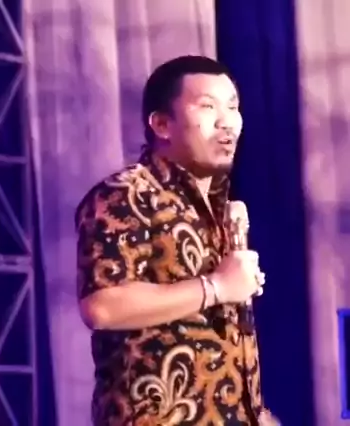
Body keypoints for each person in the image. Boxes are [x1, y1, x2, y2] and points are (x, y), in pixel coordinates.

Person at [75, 56, 278, 425]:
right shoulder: (126, 193)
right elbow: (101, 306)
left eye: (233, 107)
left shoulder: (219, 211)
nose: (226, 121)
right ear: (162, 124)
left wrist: (257, 414)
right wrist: (216, 287)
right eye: (208, 107)